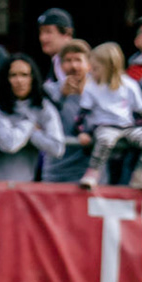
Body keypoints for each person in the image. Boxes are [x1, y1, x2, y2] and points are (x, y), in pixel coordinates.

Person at [79, 41, 142, 191]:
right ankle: (93, 172)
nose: (92, 72)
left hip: (128, 126)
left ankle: (141, 173)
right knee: (105, 140)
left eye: (96, 68)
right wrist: (83, 132)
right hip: (104, 125)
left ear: (109, 67)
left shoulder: (130, 85)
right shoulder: (91, 87)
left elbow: (141, 111)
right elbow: (83, 113)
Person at [0, 54, 63, 182]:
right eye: (13, 75)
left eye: (24, 75)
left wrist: (34, 134)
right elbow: (9, 143)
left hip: (22, 183)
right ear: (5, 79)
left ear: (32, 78)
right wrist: (30, 125)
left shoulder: (43, 106)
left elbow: (57, 148)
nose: (19, 80)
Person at [41, 39, 93, 184]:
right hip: (56, 171)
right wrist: (61, 97)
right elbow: (41, 122)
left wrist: (85, 96)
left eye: (78, 60)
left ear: (89, 65)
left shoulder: (100, 91)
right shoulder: (49, 90)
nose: (73, 66)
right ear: (61, 65)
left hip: (90, 172)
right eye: (68, 61)